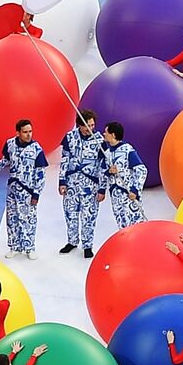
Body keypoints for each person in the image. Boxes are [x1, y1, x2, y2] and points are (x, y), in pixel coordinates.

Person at [0, 119, 48, 259]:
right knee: (12, 218)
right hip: (12, 189)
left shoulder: (37, 149)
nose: (28, 134)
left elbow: (41, 174)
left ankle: (29, 247)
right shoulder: (10, 144)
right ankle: (14, 246)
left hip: (28, 191)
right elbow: (6, 160)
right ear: (18, 133)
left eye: (30, 131)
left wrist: (36, 193)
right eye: (25, 132)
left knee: (28, 219)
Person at [59, 110, 106, 256]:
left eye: (92, 125)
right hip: (72, 183)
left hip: (90, 185)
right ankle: (72, 241)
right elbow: (64, 160)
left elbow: (103, 166)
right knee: (70, 213)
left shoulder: (100, 141)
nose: (90, 128)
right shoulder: (69, 137)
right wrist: (62, 181)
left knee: (89, 215)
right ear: (79, 124)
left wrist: (102, 189)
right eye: (87, 125)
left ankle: (87, 245)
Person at [101, 122, 147, 229]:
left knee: (136, 224)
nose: (104, 134)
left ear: (113, 135)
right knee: (122, 224)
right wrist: (109, 172)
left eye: (106, 132)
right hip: (115, 196)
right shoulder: (107, 153)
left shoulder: (127, 150)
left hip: (128, 194)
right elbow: (102, 172)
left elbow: (141, 170)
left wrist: (135, 190)